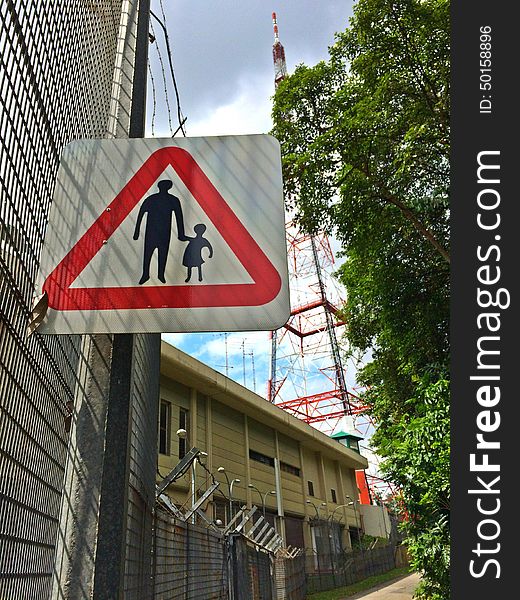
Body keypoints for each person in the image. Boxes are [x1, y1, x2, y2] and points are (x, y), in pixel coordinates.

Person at [133, 180, 187, 284]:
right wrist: (136, 232)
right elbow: (141, 214)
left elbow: (179, 217)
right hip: (152, 231)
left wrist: (181, 234)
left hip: (164, 232)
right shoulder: (152, 199)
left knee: (163, 254)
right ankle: (145, 274)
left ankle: (160, 275)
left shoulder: (173, 200)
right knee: (148, 254)